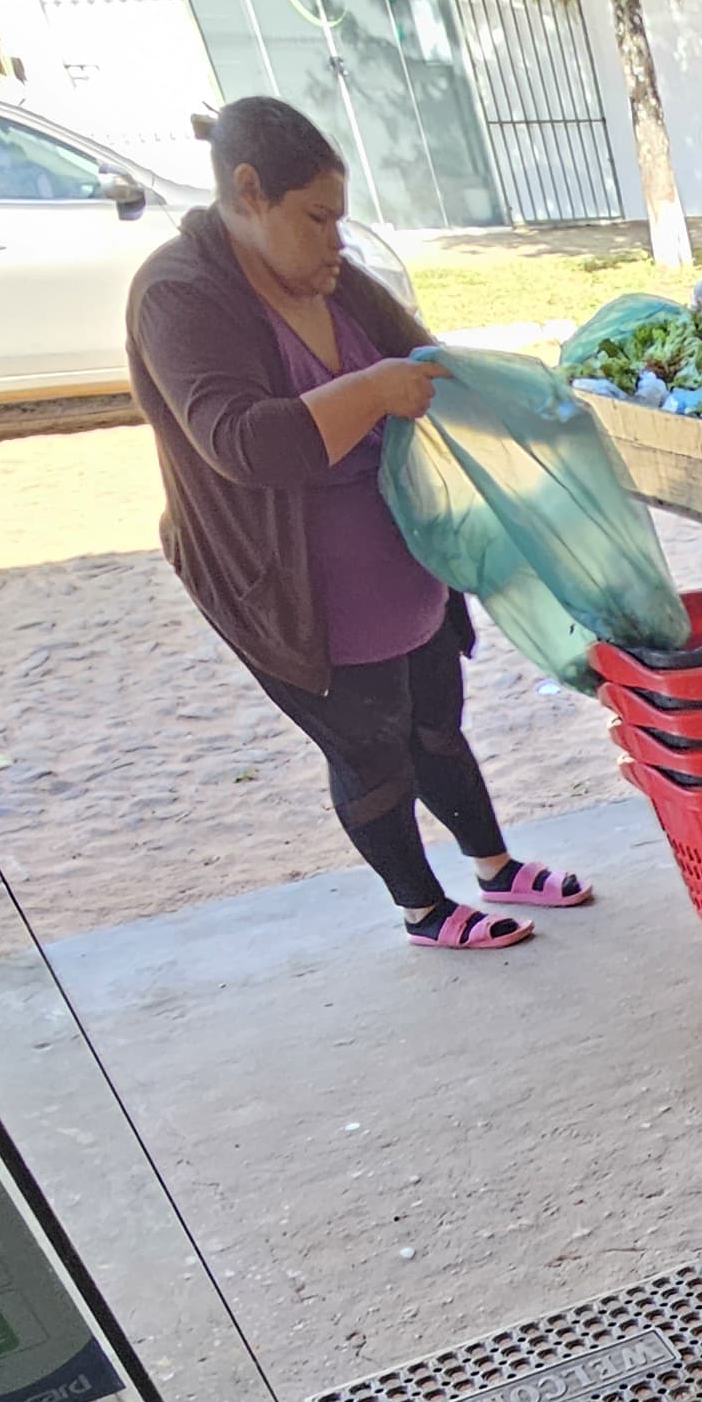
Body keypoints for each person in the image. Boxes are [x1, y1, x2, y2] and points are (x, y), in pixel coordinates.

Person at [126, 97, 593, 952]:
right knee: (372, 751)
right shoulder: (179, 294)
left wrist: (529, 404)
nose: (334, 241)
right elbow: (244, 444)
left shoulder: (327, 278)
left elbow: (425, 357)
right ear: (249, 193)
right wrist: (373, 391)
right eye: (317, 218)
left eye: (339, 219)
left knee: (435, 723)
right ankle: (423, 908)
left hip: (403, 560)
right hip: (294, 590)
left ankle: (494, 865)